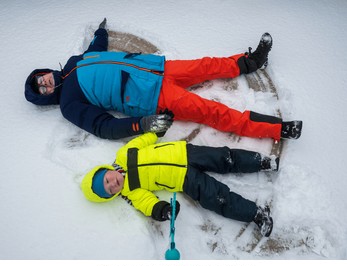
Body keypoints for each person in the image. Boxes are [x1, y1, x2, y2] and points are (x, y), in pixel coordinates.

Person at [25, 18, 303, 141]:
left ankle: (252, 62)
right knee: (210, 111)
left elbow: (94, 52)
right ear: (46, 96)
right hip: (151, 98)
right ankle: (277, 130)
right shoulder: (69, 104)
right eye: (42, 89)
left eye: (41, 78)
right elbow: (103, 127)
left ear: (44, 72)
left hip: (155, 68)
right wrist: (141, 125)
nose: (45, 83)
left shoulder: (74, 63)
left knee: (205, 66)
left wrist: (100, 34)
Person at [81, 132, 278, 237]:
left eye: (107, 180)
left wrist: (156, 129)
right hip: (183, 180)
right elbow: (146, 203)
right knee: (216, 198)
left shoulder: (124, 154)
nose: (112, 184)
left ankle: (261, 161)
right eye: (110, 190)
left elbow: (142, 141)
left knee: (225, 158)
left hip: (184, 152)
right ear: (113, 195)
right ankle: (256, 214)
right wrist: (162, 210)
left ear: (106, 170)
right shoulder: (130, 191)